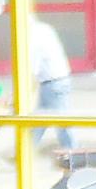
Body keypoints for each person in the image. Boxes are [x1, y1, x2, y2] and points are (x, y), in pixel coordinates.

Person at [30, 17, 73, 150]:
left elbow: (33, 67)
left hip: (53, 81)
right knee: (41, 118)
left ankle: (71, 150)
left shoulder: (33, 37)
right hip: (58, 77)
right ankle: (26, 149)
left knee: (61, 121)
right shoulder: (44, 28)